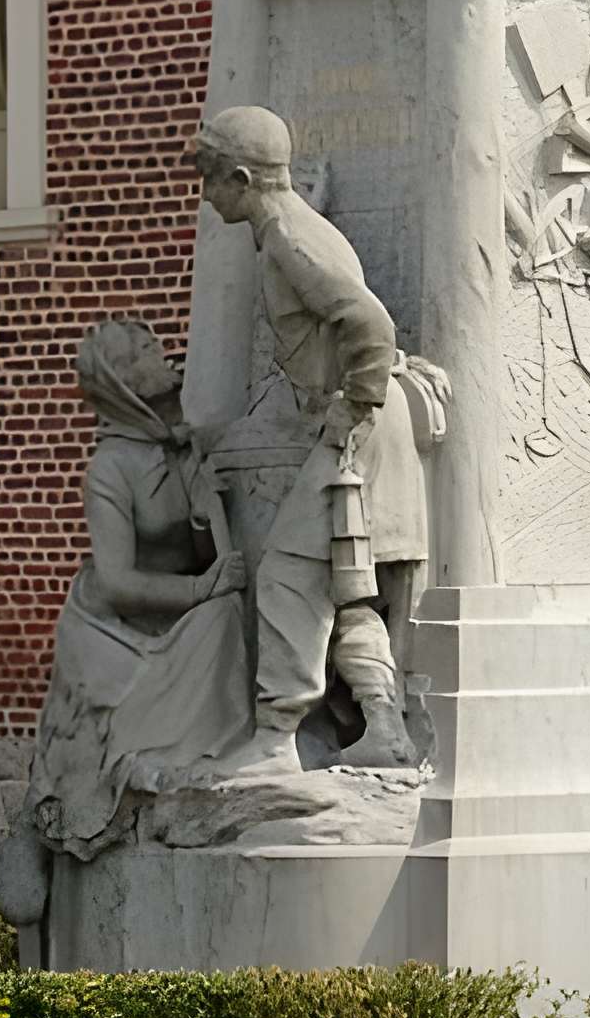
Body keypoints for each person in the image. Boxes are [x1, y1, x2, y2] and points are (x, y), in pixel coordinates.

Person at [191, 107, 446, 779]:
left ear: (241, 179)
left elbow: (370, 321)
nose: (204, 192)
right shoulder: (291, 227)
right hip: (373, 420)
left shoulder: (287, 237)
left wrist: (351, 408)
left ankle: (276, 737)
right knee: (348, 587)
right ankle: (384, 731)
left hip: (361, 422)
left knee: (285, 576)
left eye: (209, 177)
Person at [0, 318, 248, 926]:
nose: (163, 353)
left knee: (229, 621)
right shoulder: (109, 469)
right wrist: (200, 587)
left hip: (180, 616)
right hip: (112, 627)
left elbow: (220, 554)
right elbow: (116, 583)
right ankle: (40, 815)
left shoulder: (186, 448)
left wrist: (207, 504)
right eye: (142, 351)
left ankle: (199, 767)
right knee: (90, 738)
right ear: (118, 381)